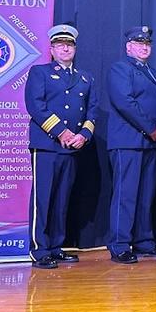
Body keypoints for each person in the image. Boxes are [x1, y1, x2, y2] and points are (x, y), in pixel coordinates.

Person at [24, 23, 98, 270]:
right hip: (47, 145)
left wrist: (84, 135)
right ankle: (39, 249)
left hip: (73, 146)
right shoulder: (40, 72)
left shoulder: (85, 77)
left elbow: (92, 109)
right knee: (43, 199)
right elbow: (35, 105)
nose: (65, 49)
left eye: (69, 45)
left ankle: (56, 246)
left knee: (62, 199)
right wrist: (61, 132)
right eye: (60, 45)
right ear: (52, 49)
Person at [105, 26, 156, 265]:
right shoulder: (121, 68)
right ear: (128, 46)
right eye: (139, 43)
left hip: (150, 143)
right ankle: (120, 245)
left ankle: (144, 241)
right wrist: (151, 127)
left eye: (147, 44)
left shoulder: (152, 72)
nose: (144, 47)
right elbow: (125, 102)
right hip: (128, 141)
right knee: (126, 195)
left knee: (146, 195)